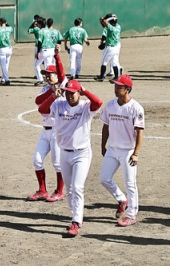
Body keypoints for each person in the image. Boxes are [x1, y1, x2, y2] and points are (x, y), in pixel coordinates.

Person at [38, 47, 103, 236]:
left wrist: (84, 89)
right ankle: (75, 215)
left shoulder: (85, 107)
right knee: (69, 190)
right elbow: (42, 110)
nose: (68, 95)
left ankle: (76, 221)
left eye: (72, 93)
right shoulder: (59, 103)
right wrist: (53, 96)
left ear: (79, 94)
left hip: (82, 153)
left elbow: (98, 103)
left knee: (77, 187)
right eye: (67, 92)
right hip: (65, 152)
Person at [99, 74, 144, 227]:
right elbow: (105, 126)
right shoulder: (110, 105)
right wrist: (103, 146)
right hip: (112, 149)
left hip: (128, 151)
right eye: (115, 86)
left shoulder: (136, 108)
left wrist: (136, 153)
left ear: (127, 89)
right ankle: (122, 199)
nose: (116, 88)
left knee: (130, 183)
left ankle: (131, 215)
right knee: (104, 179)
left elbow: (139, 132)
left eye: (119, 86)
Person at [27, 48, 66, 202]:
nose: (48, 76)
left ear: (57, 76)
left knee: (57, 163)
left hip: (58, 131)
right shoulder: (45, 89)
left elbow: (62, 73)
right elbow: (38, 102)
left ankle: (59, 191)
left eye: (51, 74)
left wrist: (57, 55)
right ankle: (42, 190)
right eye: (46, 74)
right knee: (37, 159)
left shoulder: (64, 86)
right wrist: (51, 92)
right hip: (45, 131)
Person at [94, 14, 121, 82]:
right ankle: (117, 77)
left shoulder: (110, 28)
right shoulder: (118, 27)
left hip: (110, 48)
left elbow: (106, 23)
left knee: (104, 62)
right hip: (116, 48)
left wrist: (103, 20)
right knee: (114, 62)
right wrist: (106, 20)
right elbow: (105, 24)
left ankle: (102, 76)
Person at [34, 17, 56, 86]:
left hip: (45, 50)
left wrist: (38, 52)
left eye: (38, 24)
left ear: (40, 24)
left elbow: (40, 42)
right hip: (51, 50)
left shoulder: (41, 31)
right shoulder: (49, 30)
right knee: (48, 66)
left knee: (36, 65)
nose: (37, 25)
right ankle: (51, 80)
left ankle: (40, 80)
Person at [28, 15, 41, 80]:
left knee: (36, 62)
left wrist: (33, 23)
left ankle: (38, 76)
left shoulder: (36, 29)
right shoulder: (45, 28)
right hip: (46, 46)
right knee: (45, 61)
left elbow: (29, 30)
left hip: (38, 46)